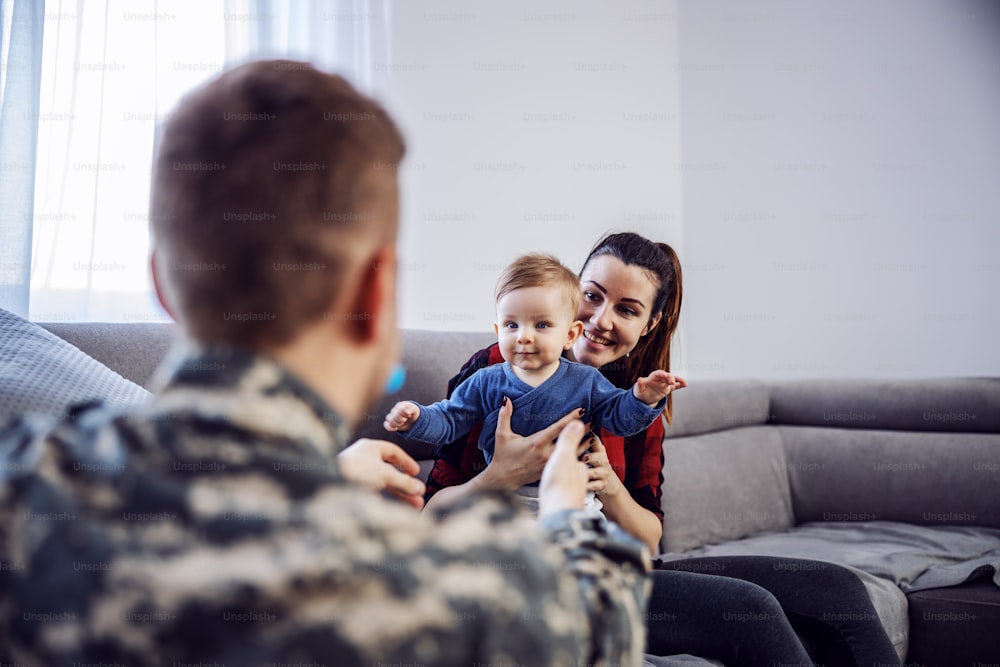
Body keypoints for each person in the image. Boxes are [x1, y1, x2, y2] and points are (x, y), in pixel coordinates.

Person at [0, 60, 651, 666]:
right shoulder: (450, 587)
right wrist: (566, 508)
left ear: (164, 287)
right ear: (375, 292)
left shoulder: (23, 483)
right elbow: (602, 623)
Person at [425, 232, 902, 667]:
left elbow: (650, 541)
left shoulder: (639, 399)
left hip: (622, 563)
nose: (599, 319)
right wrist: (501, 475)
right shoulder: (496, 369)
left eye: (627, 309)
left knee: (837, 587)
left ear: (650, 324)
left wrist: (607, 484)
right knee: (749, 609)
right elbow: (428, 516)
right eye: (592, 296)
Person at [384, 252, 683, 467]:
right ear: (498, 331)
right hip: (503, 500)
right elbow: (450, 419)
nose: (524, 336)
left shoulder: (588, 382)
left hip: (571, 502)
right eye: (512, 326)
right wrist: (418, 417)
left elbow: (620, 417)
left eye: (541, 325)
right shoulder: (486, 379)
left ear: (570, 334)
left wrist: (642, 398)